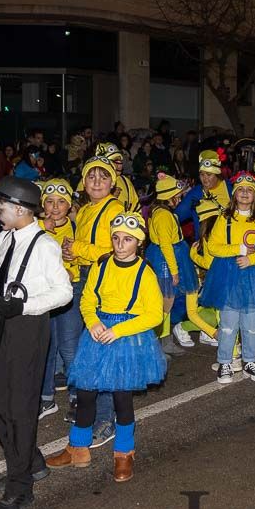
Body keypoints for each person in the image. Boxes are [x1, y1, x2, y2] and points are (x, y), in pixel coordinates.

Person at [0, 176, 72, 509]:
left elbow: (64, 292)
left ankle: (21, 487)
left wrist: (25, 306)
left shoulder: (44, 245)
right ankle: (30, 461)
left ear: (19, 209)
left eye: (0, 208)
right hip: (4, 323)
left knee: (20, 408)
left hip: (29, 328)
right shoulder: (3, 238)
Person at [48, 212, 166, 482]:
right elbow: (88, 300)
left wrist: (118, 330)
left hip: (126, 337)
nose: (120, 244)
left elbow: (155, 315)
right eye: (116, 238)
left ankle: (124, 452)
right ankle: (78, 448)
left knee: (121, 398)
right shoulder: (101, 265)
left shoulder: (145, 272)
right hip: (98, 333)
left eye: (127, 239)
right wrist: (91, 322)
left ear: (139, 243)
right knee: (86, 392)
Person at [63, 157, 125, 446]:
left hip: (102, 281)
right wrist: (72, 253)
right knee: (84, 347)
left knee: (100, 350)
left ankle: (105, 419)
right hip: (85, 278)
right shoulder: (87, 209)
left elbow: (115, 249)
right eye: (91, 177)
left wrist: (77, 248)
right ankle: (86, 406)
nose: (97, 182)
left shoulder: (114, 209)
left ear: (113, 183)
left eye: (103, 177)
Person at [198, 172, 255, 385]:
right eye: (240, 190)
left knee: (251, 324)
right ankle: (225, 361)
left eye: (249, 190)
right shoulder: (225, 219)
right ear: (234, 195)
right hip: (228, 275)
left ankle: (250, 360)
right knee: (228, 323)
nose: (244, 193)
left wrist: (252, 259)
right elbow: (213, 246)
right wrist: (238, 249)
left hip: (253, 275)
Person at [38, 178, 83, 418]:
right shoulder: (34, 227)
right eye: (50, 202)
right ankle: (46, 398)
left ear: (69, 205)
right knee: (46, 347)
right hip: (43, 294)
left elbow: (84, 260)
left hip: (69, 292)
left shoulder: (77, 228)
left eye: (61, 202)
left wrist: (70, 270)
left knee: (69, 347)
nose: (55, 207)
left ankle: (77, 397)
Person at [146, 174, 200, 355]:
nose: (180, 198)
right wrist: (174, 271)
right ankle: (157, 344)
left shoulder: (163, 212)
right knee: (165, 304)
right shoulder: (163, 216)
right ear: (170, 196)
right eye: (178, 194)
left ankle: (164, 341)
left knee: (166, 304)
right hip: (165, 260)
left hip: (168, 256)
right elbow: (166, 245)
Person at [175, 150, 231, 235]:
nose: (205, 179)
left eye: (209, 174)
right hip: (205, 244)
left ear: (217, 174)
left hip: (229, 243)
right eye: (202, 174)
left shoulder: (230, 187)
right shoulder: (195, 193)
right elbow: (176, 217)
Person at [94, 142, 139, 211]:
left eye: (120, 161)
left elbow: (136, 207)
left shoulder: (125, 181)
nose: (120, 165)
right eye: (115, 161)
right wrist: (109, 197)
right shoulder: (90, 180)